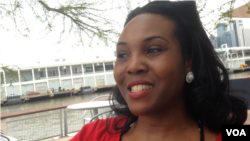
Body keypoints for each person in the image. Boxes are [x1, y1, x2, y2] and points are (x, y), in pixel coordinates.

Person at [71, 0, 247, 141]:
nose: (132, 66)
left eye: (153, 50)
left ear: (188, 61)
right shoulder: (92, 135)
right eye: (122, 54)